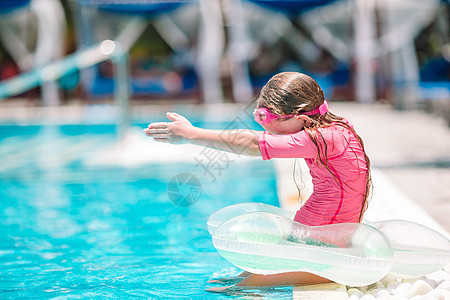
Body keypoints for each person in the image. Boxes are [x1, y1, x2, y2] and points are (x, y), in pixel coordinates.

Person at [143, 72, 372, 291]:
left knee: (235, 289)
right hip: (312, 240)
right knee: (233, 282)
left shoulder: (324, 137)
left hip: (324, 250)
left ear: (301, 117)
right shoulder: (336, 128)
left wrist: (191, 134)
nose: (276, 138)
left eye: (278, 132)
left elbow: (253, 143)